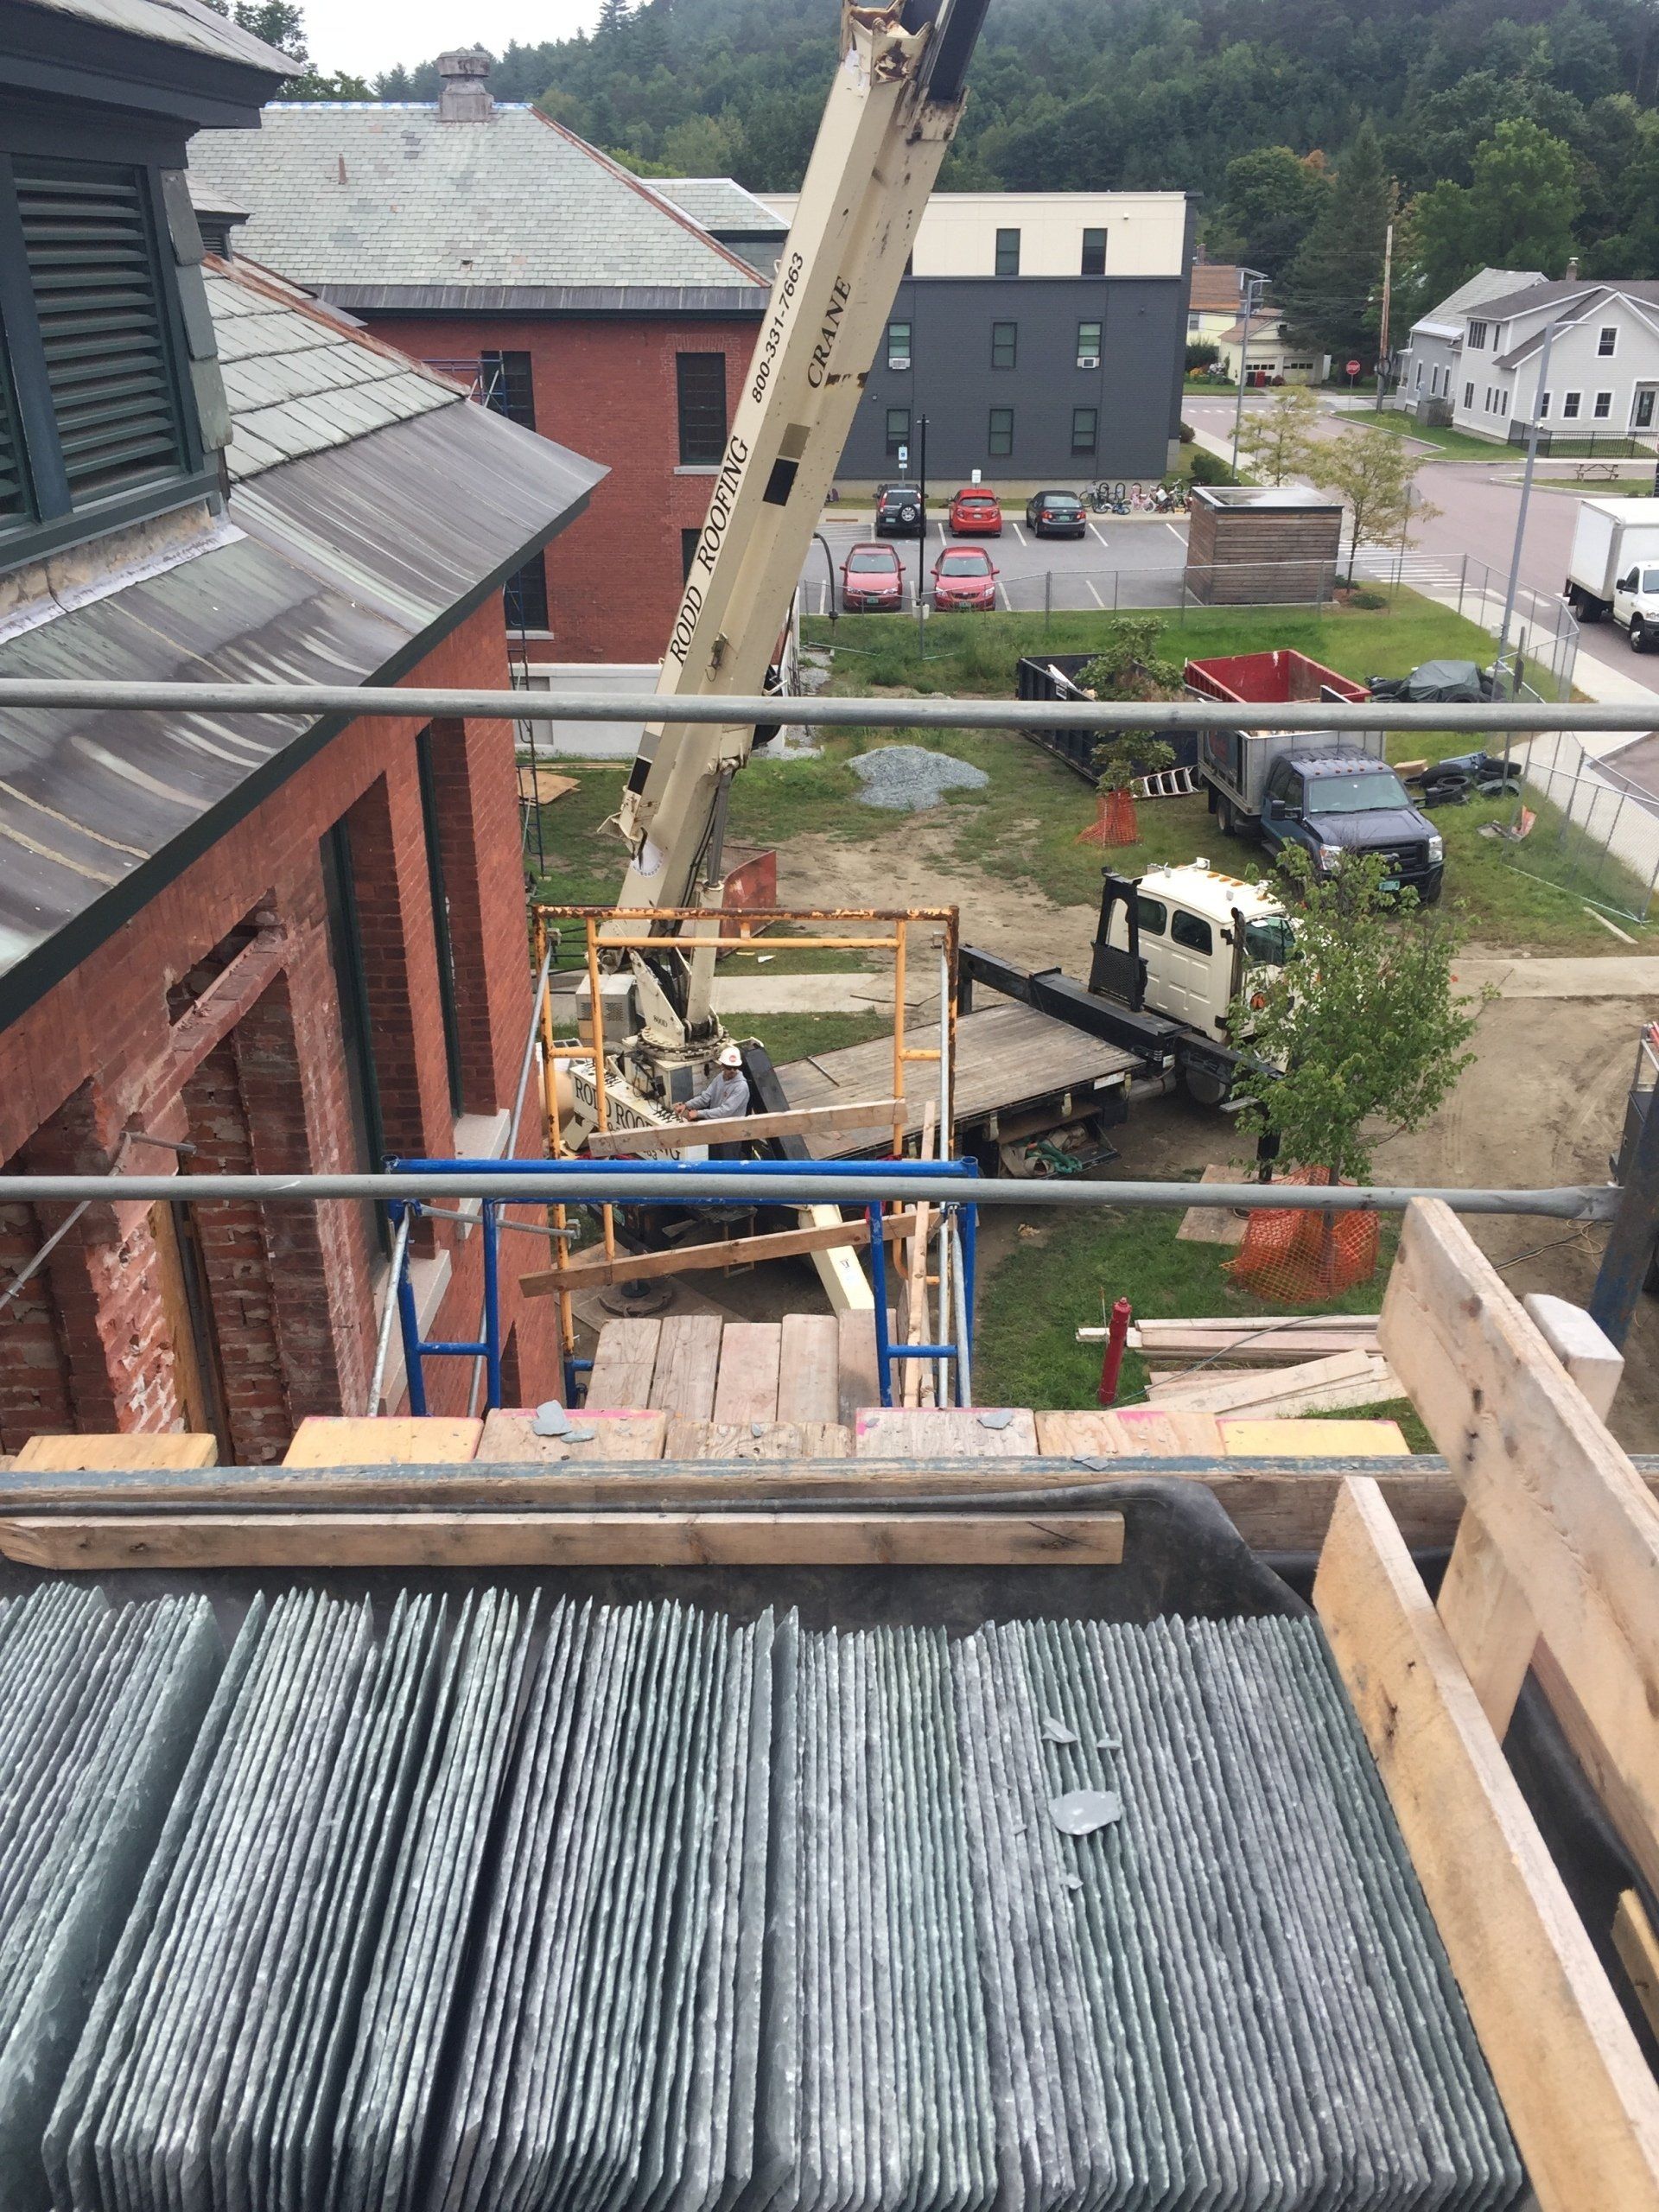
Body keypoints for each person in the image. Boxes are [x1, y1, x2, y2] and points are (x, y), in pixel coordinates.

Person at [675, 1044, 750, 1136]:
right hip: (717, 1128)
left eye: (735, 1067)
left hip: (732, 1133)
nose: (733, 1070)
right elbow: (706, 1098)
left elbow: (725, 1111)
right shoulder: (720, 1078)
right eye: (729, 1067)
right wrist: (686, 1105)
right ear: (722, 1066)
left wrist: (699, 1113)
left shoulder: (741, 1087)